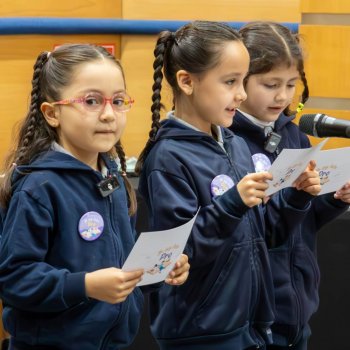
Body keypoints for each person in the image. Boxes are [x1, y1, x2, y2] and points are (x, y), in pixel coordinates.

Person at [135, 20, 321, 350]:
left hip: (249, 325)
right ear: (187, 81)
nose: (242, 94)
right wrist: (232, 204)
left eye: (242, 81)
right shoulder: (168, 158)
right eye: (230, 82)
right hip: (200, 330)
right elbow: (173, 257)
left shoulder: (233, 143)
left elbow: (267, 236)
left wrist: (296, 195)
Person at [0, 43, 190, 350]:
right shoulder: (39, 188)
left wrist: (160, 269)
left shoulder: (112, 176)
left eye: (117, 101)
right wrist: (85, 285)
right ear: (52, 114)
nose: (108, 115)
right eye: (91, 101)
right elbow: (13, 279)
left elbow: (121, 265)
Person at [229, 21, 350, 350]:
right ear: (239, 81)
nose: (282, 96)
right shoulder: (229, 142)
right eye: (270, 85)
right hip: (251, 314)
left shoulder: (293, 134)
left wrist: (335, 200)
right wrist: (295, 199)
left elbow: (303, 222)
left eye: (291, 84)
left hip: (297, 306)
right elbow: (256, 232)